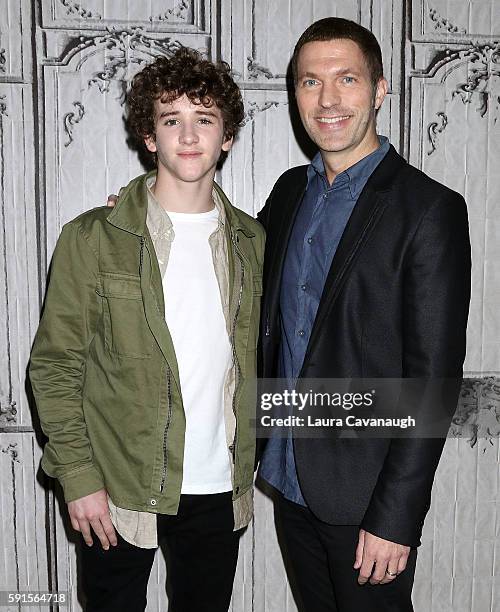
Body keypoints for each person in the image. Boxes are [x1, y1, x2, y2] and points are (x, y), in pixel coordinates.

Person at [29, 47, 264, 612]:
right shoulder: (92, 237)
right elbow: (56, 365)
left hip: (218, 486)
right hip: (118, 484)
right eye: (171, 119)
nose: (188, 135)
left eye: (204, 119)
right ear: (148, 136)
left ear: (227, 136)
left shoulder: (252, 242)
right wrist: (79, 477)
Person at [256, 17, 471, 612]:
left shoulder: (429, 210)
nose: (327, 100)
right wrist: (146, 208)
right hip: (289, 476)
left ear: (378, 90)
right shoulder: (287, 195)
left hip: (366, 500)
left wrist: (396, 517)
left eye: (346, 79)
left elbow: (432, 382)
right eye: (309, 82)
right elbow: (232, 270)